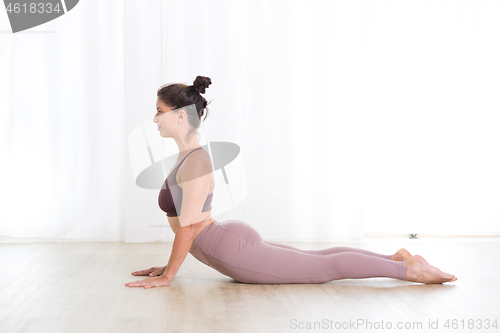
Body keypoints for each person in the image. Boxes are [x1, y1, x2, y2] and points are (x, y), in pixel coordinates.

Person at [125, 76, 458, 289]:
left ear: (180, 115)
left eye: (159, 111)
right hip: (225, 240)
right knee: (319, 258)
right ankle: (394, 258)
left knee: (323, 268)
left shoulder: (195, 160)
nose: (154, 119)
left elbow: (187, 227)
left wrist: (170, 276)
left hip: (228, 248)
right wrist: (168, 265)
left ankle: (410, 271)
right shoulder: (188, 156)